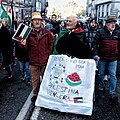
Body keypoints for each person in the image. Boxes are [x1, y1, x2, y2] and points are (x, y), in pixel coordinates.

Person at [20, 12, 54, 103]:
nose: (37, 22)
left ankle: (46, 95)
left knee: (46, 79)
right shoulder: (27, 32)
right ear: (32, 22)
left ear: (41, 21)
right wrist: (23, 44)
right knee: (35, 80)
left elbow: (51, 44)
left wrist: (47, 53)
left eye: (38, 20)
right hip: (33, 61)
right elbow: (25, 46)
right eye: (35, 20)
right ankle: (35, 95)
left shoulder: (47, 33)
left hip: (44, 60)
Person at [93, 18, 120, 102]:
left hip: (113, 58)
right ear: (106, 24)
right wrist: (96, 54)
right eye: (111, 23)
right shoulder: (100, 32)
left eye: (114, 23)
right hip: (103, 58)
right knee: (101, 73)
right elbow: (95, 43)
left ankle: (112, 92)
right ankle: (102, 85)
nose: (113, 25)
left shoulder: (117, 33)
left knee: (113, 75)